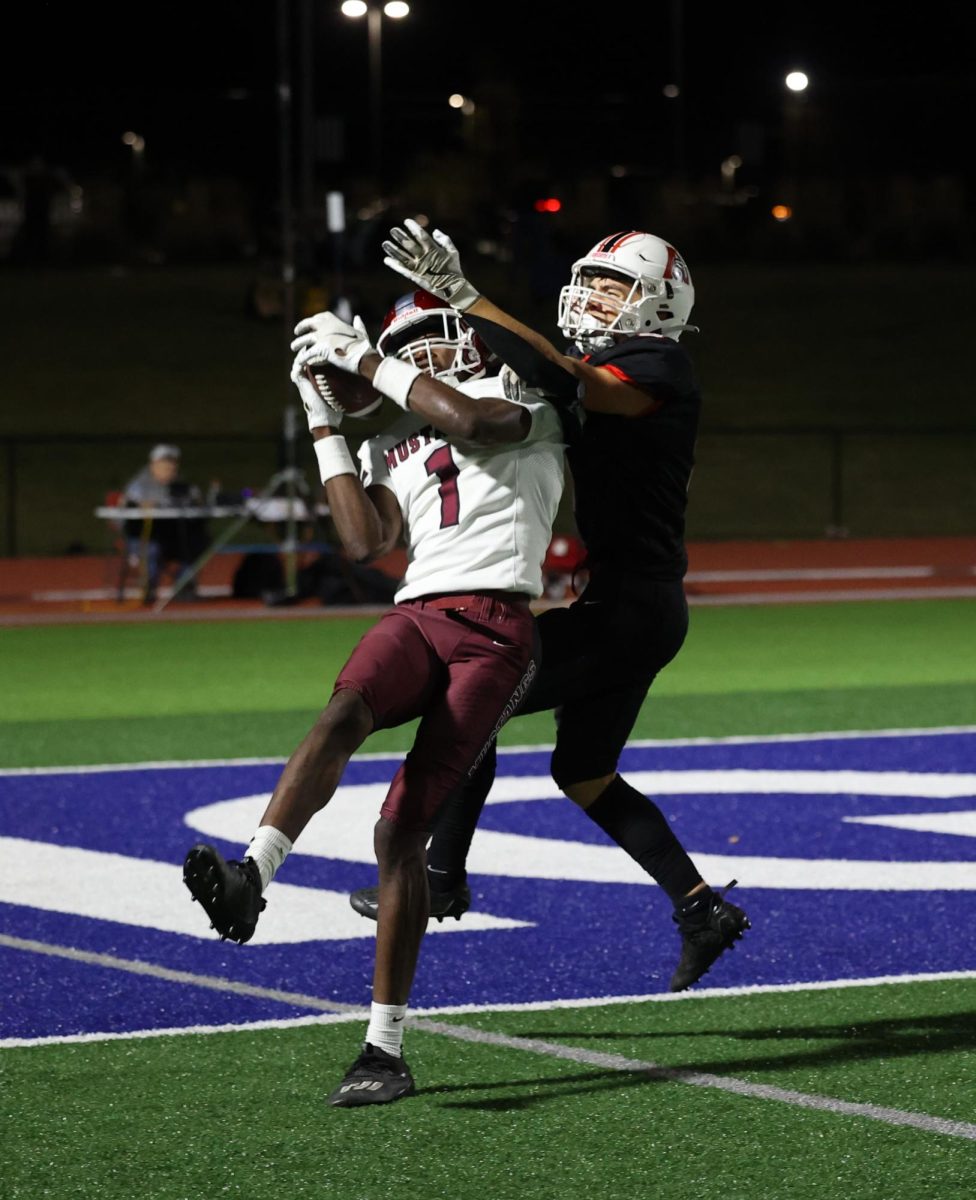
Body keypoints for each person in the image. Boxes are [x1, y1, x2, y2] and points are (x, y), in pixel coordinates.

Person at [182, 290, 567, 1107]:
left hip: (498, 627)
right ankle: (253, 874)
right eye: (409, 345)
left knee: (400, 830)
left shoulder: (522, 397)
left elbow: (475, 425)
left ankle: (384, 1048)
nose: (423, 355)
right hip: (421, 613)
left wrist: (366, 362)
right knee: (342, 712)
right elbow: (364, 541)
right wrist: (326, 427)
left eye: (434, 340)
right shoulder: (396, 435)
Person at [349, 221, 750, 993]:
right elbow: (518, 383)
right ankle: (701, 909)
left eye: (617, 286)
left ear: (661, 306)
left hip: (632, 607)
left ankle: (441, 875)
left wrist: (468, 296)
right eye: (593, 281)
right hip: (632, 604)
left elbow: (564, 379)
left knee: (472, 695)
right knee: (585, 769)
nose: (597, 295)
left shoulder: (656, 362)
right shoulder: (601, 365)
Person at [121, 444, 207, 602]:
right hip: (144, 538)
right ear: (153, 464)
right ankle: (148, 589)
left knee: (198, 542)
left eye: (172, 463)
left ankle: (184, 586)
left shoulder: (182, 486)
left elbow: (198, 502)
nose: (170, 467)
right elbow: (125, 509)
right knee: (152, 550)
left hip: (173, 537)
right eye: (165, 463)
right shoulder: (139, 486)